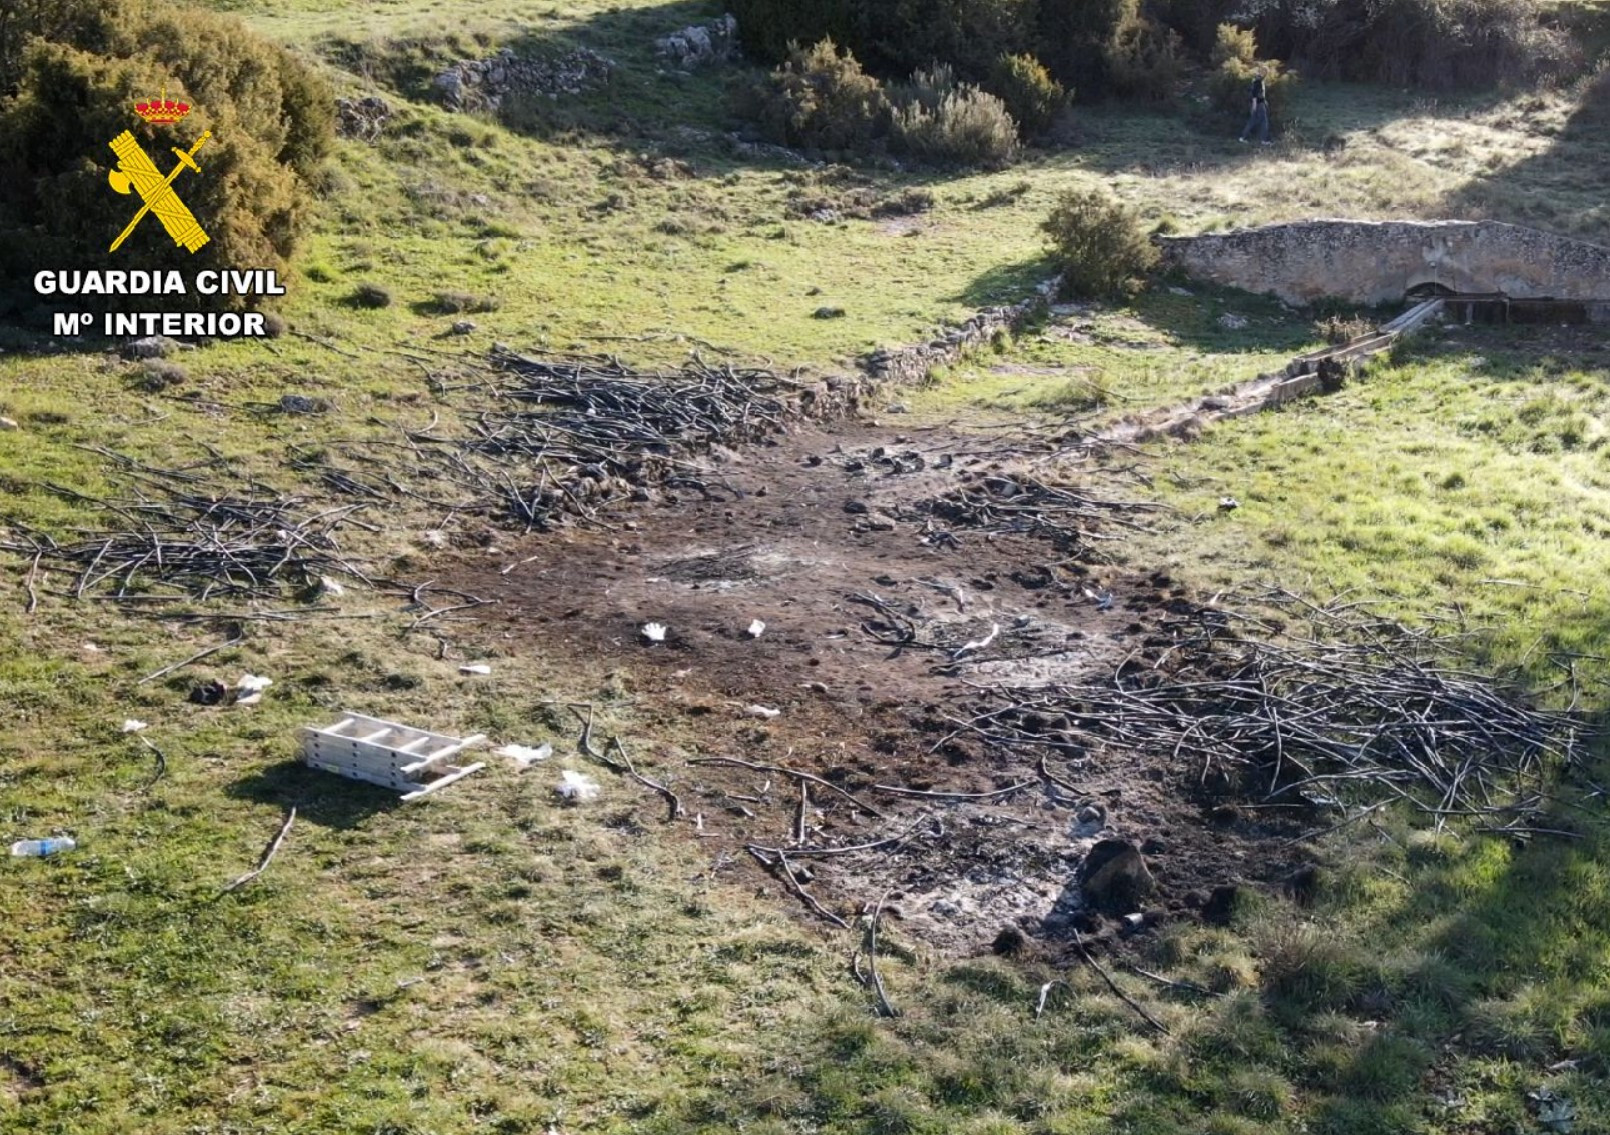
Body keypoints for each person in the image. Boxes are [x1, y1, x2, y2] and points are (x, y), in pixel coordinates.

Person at [1239, 68, 1271, 145]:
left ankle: (1242, 137)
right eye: (1264, 72)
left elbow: (1260, 93)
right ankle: (1263, 140)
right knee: (1264, 122)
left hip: (1259, 103)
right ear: (1261, 72)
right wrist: (1254, 105)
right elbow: (1254, 94)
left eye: (1266, 72)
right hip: (1258, 104)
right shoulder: (1258, 81)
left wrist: (1264, 101)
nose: (1265, 74)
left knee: (1252, 121)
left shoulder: (1257, 80)